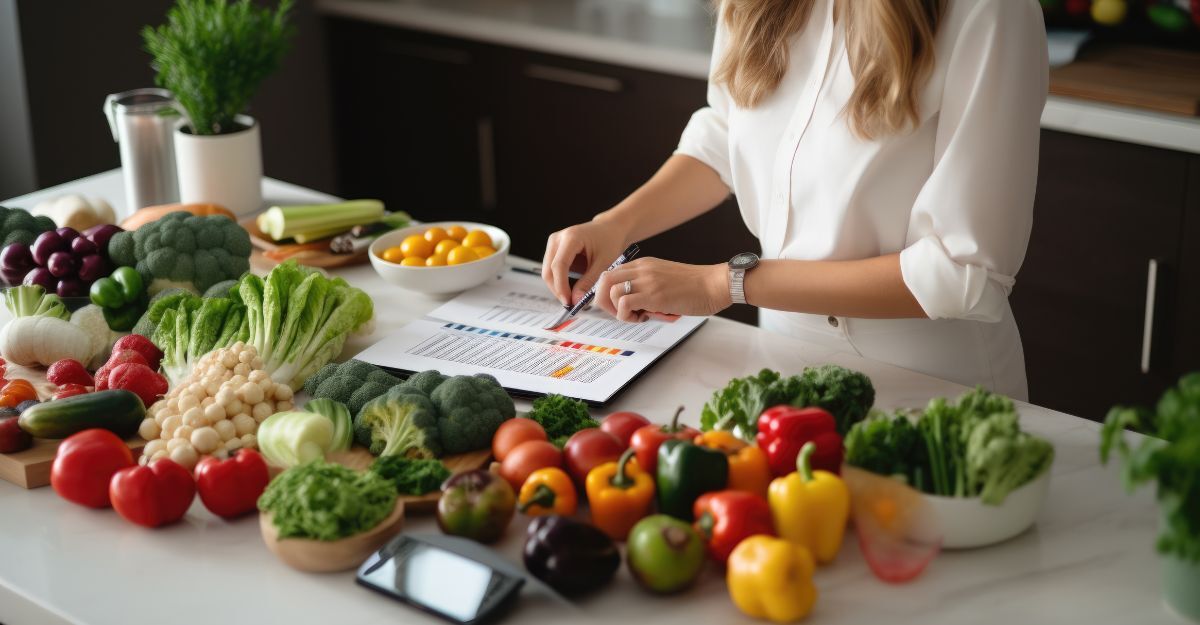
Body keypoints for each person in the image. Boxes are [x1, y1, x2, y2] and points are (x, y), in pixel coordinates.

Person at [541, 0, 1047, 399]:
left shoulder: (990, 10)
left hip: (934, 395)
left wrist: (723, 284)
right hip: (782, 370)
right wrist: (615, 225)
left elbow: (963, 271)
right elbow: (724, 135)